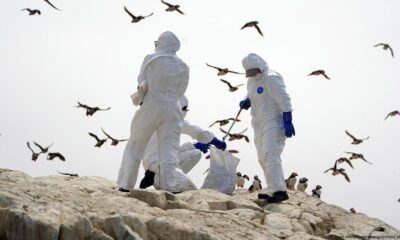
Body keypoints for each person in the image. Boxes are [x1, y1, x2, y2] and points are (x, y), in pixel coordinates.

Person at [117, 31, 190, 193]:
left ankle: (126, 184)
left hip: (152, 105)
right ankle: (169, 187)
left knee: (136, 144)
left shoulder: (151, 59)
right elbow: (181, 90)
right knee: (169, 150)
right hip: (173, 108)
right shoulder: (183, 65)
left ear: (162, 43)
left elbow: (141, 81)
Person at [139, 95, 227, 192]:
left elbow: (171, 151)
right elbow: (198, 132)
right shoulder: (171, 119)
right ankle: (157, 179)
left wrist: (193, 145)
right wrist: (215, 141)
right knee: (189, 188)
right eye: (184, 108)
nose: (185, 111)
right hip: (157, 165)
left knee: (195, 152)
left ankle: (169, 177)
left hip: (162, 160)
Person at [239, 53, 295, 203]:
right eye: (249, 72)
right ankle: (272, 188)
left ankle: (280, 190)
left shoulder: (271, 77)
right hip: (258, 123)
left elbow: (284, 98)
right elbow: (251, 94)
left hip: (274, 121)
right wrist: (246, 100)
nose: (251, 75)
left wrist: (288, 120)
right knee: (262, 158)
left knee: (271, 154)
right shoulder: (251, 80)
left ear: (260, 66)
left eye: (253, 71)